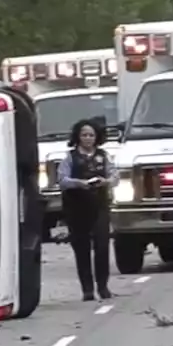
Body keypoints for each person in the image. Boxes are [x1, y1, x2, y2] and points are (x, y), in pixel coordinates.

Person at [57, 118, 119, 301]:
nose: (88, 138)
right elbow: (62, 180)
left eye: (91, 135)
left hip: (99, 206)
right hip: (76, 208)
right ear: (77, 137)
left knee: (102, 247)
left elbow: (115, 176)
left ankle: (103, 287)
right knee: (81, 248)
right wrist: (79, 184)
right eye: (84, 135)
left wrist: (105, 182)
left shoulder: (103, 156)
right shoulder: (70, 158)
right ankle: (87, 289)